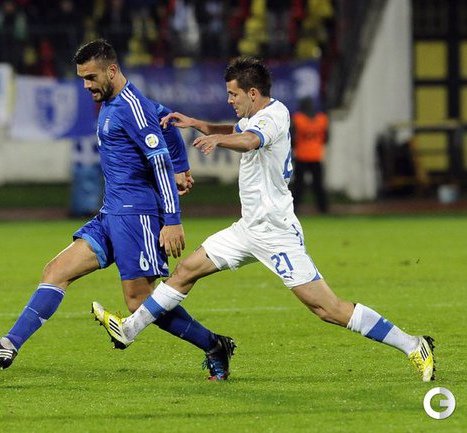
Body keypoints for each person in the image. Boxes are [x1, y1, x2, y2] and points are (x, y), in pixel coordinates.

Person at [92, 56, 436, 382]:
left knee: (327, 309)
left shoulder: (274, 116)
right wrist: (199, 124)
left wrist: (218, 140)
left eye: (233, 94)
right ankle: (130, 329)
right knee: (186, 271)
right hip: (247, 229)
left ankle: (412, 344)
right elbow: (240, 128)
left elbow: (249, 140)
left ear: (253, 93)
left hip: (275, 232)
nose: (229, 100)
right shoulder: (255, 115)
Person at [0, 39, 235, 381]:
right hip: (111, 214)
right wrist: (183, 167)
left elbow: (159, 161)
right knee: (56, 271)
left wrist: (172, 219)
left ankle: (214, 345)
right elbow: (166, 120)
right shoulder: (116, 103)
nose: (86, 85)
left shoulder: (131, 107)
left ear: (112, 71)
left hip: (138, 216)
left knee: (138, 303)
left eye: (91, 77)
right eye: (82, 78)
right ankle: (9, 345)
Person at [291, 96, 329, 214]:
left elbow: (292, 138)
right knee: (318, 184)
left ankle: (294, 208)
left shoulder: (297, 118)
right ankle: (323, 208)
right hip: (316, 155)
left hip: (301, 155)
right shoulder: (322, 119)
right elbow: (326, 138)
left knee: (298, 185)